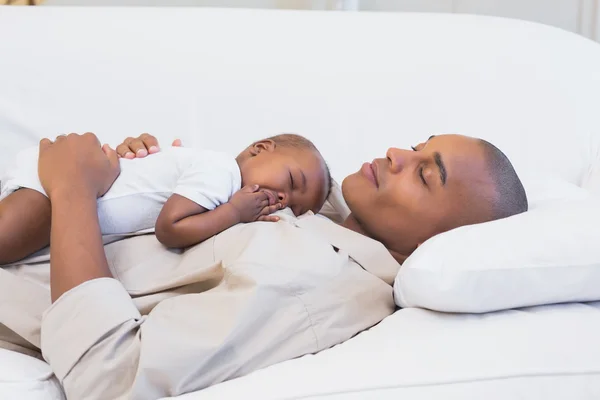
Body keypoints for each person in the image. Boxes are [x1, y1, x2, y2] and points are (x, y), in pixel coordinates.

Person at [0, 132, 527, 399]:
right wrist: (142, 174)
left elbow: (111, 377)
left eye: (425, 174)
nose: (394, 153)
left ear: (438, 244)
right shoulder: (315, 215)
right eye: (416, 147)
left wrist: (73, 190)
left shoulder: (317, 284)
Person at [0, 133, 331, 265]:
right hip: (53, 187)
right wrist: (234, 212)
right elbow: (170, 228)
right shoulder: (221, 170)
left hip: (66, 195)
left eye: (295, 207)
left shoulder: (211, 181)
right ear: (259, 148)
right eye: (291, 181)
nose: (285, 198)